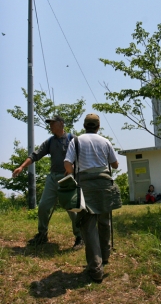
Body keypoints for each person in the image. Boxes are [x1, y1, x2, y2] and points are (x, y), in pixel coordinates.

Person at [64, 113, 122, 283]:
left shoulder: (75, 141)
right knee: (104, 221)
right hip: (104, 183)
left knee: (88, 226)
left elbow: (68, 164)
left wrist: (72, 170)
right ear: (98, 127)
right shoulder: (105, 141)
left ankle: (96, 269)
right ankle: (105, 255)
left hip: (85, 186)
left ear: (84, 126)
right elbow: (115, 164)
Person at [12, 115, 84, 249]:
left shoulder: (72, 139)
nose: (50, 125)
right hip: (52, 178)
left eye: (52, 123)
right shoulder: (50, 141)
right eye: (49, 123)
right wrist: (21, 167)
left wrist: (74, 171)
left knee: (72, 208)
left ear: (61, 123)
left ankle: (80, 237)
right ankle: (42, 234)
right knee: (43, 206)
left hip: (68, 178)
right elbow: (35, 155)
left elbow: (82, 158)